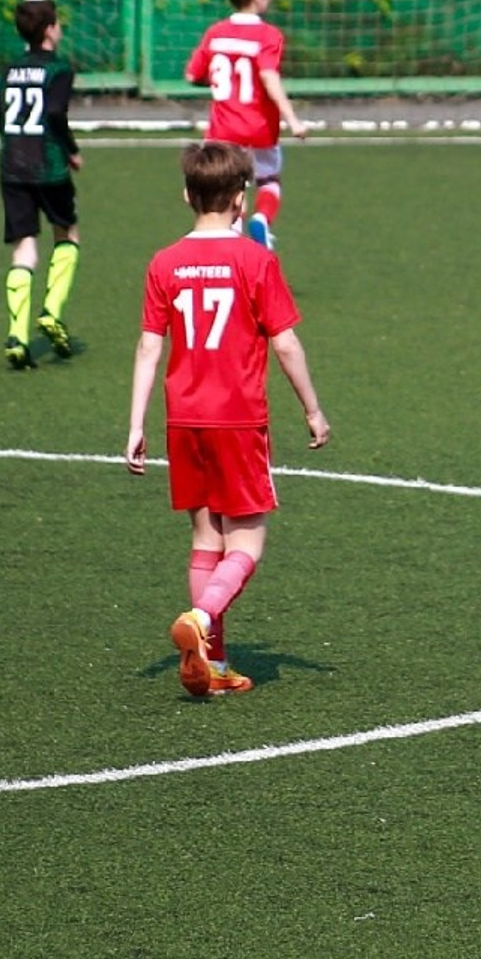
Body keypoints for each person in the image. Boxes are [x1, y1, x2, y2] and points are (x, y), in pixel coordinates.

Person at [124, 140, 331, 698]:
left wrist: (136, 423)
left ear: (187, 195)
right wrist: (312, 409)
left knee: (203, 537)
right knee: (246, 545)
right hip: (238, 418)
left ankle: (211, 663)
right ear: (242, 198)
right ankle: (201, 618)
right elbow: (285, 344)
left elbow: (149, 346)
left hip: (182, 418)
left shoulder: (164, 261)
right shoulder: (256, 260)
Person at [185, 0, 310, 246]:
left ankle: (236, 239)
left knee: (229, 188)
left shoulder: (215, 33)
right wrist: (292, 119)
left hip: (223, 129)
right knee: (268, 181)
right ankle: (263, 219)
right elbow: (268, 76)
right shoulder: (268, 35)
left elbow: (193, 74)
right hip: (260, 127)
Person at [0, 0, 82, 369]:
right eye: (57, 22)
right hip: (49, 167)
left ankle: (17, 335)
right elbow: (56, 112)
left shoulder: (9, 70)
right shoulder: (59, 69)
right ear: (48, 30)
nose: (60, 28)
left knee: (24, 248)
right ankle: (52, 312)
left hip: (11, 168)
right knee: (67, 233)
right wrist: (72, 151)